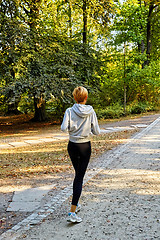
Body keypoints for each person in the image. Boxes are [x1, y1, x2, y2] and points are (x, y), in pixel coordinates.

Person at [61, 86, 100, 223]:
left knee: (78, 176)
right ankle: (72, 212)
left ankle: (76, 204)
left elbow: (63, 128)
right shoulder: (91, 111)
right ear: (86, 97)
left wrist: (73, 128)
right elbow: (97, 131)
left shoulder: (69, 111)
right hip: (85, 146)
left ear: (74, 97)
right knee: (79, 177)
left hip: (72, 146)